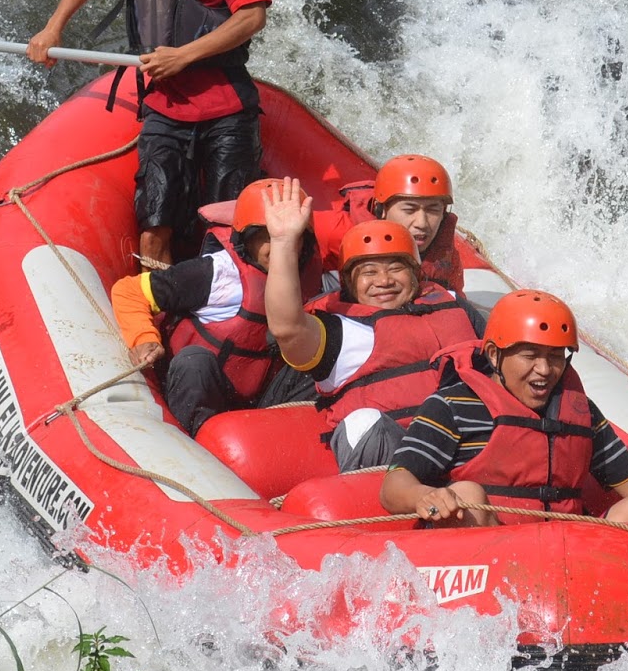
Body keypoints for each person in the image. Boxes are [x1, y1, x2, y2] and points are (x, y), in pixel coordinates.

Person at [28, 0, 270, 267]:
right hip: (163, 106)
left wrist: (184, 55)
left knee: (232, 227)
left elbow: (251, 16)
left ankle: (227, 315)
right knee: (153, 221)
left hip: (226, 107)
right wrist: (53, 28)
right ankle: (154, 311)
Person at [380, 289, 628, 527]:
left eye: (555, 357)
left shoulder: (579, 411)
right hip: (490, 551)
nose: (544, 370)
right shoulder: (451, 405)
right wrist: (423, 496)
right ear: (495, 355)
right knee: (467, 493)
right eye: (530, 356)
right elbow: (395, 485)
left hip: (566, 552)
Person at [261, 177, 480, 472]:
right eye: (369, 272)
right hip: (393, 466)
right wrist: (284, 241)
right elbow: (286, 327)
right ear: (349, 283)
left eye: (395, 268)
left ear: (416, 275)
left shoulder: (454, 305)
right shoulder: (337, 330)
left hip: (465, 449)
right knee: (364, 422)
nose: (384, 281)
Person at [109, 178, 319, 435]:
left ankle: (275, 451)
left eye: (292, 237)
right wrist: (143, 337)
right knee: (194, 362)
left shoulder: (311, 282)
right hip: (197, 388)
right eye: (268, 237)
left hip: (256, 405)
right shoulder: (216, 272)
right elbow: (128, 292)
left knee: (319, 364)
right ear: (247, 240)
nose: (281, 246)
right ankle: (192, 445)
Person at [316, 154, 465, 292]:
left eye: (433, 210)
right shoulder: (335, 231)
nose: (422, 223)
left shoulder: (445, 252)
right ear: (382, 209)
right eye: (409, 210)